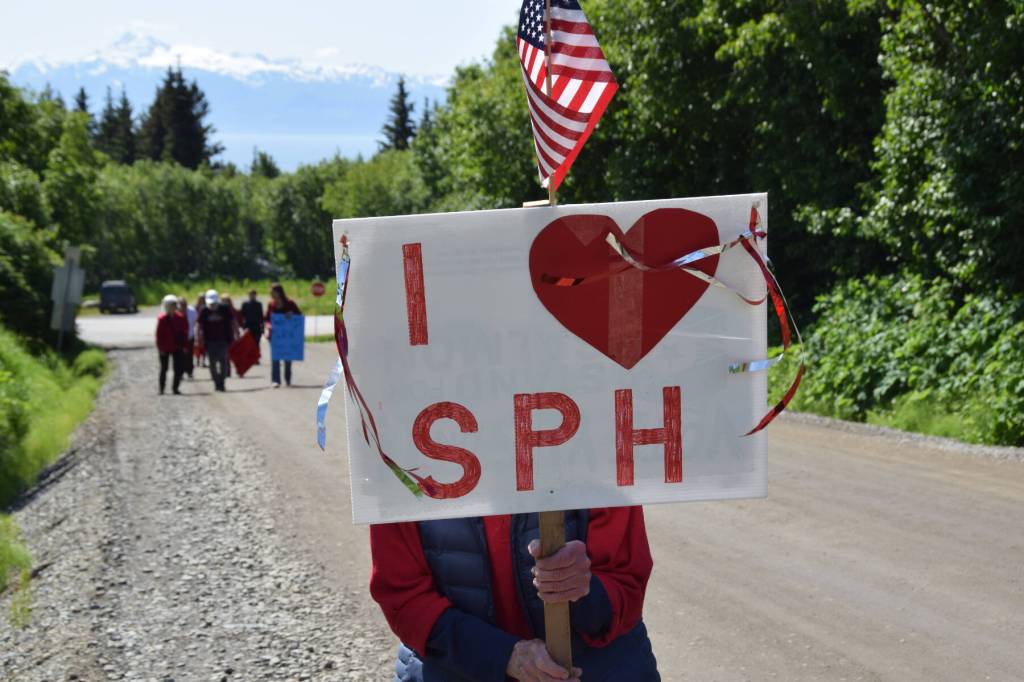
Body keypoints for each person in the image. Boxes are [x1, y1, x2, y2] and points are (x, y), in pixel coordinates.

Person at [370, 507, 660, 681]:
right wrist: (504, 656)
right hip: (453, 670)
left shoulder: (594, 423)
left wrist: (584, 591)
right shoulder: (397, 433)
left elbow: (624, 579)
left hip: (603, 670)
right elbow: (404, 597)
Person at [196, 290, 234, 392]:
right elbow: (199, 326)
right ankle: (216, 382)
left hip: (223, 340)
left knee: (223, 362)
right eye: (210, 303)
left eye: (214, 303)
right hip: (209, 341)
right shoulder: (204, 311)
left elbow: (232, 321)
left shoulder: (224, 309)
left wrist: (236, 333)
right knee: (212, 363)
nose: (212, 305)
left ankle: (222, 382)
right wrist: (198, 339)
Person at [265, 282, 301, 388]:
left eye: (272, 291)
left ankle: (288, 379)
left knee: (287, 358)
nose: (270, 293)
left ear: (278, 292)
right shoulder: (271, 304)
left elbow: (299, 316)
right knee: (275, 359)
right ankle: (276, 380)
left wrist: (292, 314)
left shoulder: (290, 303)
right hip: (275, 335)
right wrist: (268, 326)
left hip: (288, 335)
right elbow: (266, 319)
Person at [155, 294, 189, 395]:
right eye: (170, 305)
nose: (173, 307)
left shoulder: (181, 318)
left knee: (178, 368)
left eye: (174, 305)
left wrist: (185, 346)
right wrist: (160, 348)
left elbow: (185, 333)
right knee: (164, 369)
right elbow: (159, 335)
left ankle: (175, 388)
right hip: (164, 348)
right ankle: (161, 389)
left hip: (177, 347)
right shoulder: (162, 319)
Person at [239, 289, 265, 363]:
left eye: (253, 294)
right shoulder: (245, 304)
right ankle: (249, 358)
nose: (252, 296)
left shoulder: (259, 304)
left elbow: (261, 316)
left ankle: (256, 358)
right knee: (248, 343)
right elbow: (242, 315)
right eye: (250, 294)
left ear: (255, 295)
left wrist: (262, 327)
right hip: (248, 326)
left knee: (256, 343)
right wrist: (242, 326)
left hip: (256, 326)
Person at [220, 294, 242, 378]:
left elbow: (237, 322)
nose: (225, 302)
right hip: (223, 336)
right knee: (226, 355)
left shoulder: (233, 311)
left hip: (232, 335)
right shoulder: (219, 310)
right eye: (223, 301)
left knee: (235, 354)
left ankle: (239, 370)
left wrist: (237, 333)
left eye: (227, 301)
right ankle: (227, 371)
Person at [178, 296, 197, 379]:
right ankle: (180, 372)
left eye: (184, 305)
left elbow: (196, 323)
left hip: (190, 336)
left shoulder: (192, 311)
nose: (183, 307)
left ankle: (189, 371)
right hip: (179, 338)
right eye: (181, 305)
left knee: (189, 356)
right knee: (180, 356)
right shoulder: (176, 312)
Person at [194, 295, 208, 368]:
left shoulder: (207, 307)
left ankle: (203, 361)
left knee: (204, 347)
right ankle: (198, 361)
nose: (202, 300)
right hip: (197, 328)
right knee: (197, 346)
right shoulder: (195, 308)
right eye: (201, 299)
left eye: (203, 299)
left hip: (204, 328)